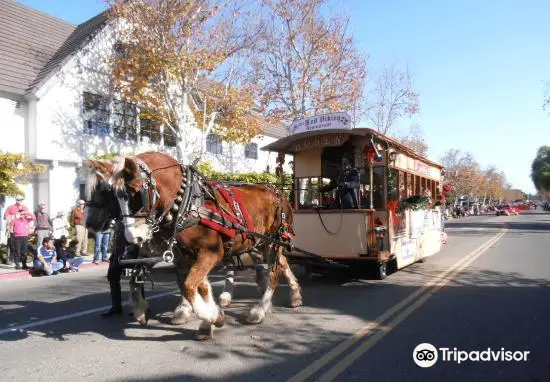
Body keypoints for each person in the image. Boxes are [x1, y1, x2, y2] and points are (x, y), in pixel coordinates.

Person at [100, 222, 139, 317]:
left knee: (137, 279)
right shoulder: (118, 216)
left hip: (131, 252)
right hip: (118, 252)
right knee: (112, 277)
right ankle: (116, 307)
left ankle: (139, 307)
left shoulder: (133, 216)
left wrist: (134, 247)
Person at [7, 198, 35, 269]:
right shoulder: (15, 220)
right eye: (20, 213)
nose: (22, 214)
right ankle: (17, 264)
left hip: (25, 237)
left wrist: (27, 212)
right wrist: (11, 230)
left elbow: (34, 218)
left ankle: (24, 264)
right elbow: (10, 224)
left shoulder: (26, 220)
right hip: (17, 238)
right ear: (18, 214)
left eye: (23, 213)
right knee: (17, 252)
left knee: (24, 252)